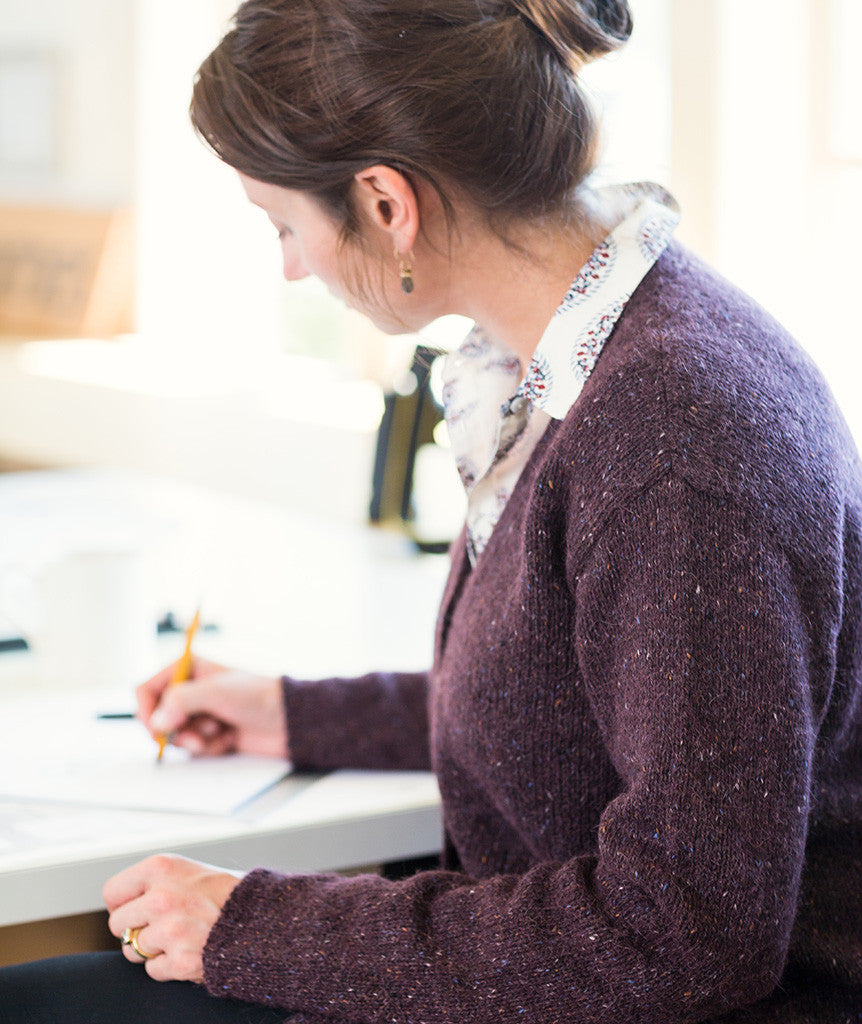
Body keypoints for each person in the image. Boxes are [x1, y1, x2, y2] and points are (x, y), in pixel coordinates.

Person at [1, 0, 859, 1021]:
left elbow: (683, 933)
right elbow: (572, 699)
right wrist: (298, 714)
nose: (290, 266)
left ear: (384, 203)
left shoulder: (671, 436)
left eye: (284, 226)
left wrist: (254, 925)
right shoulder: (589, 350)